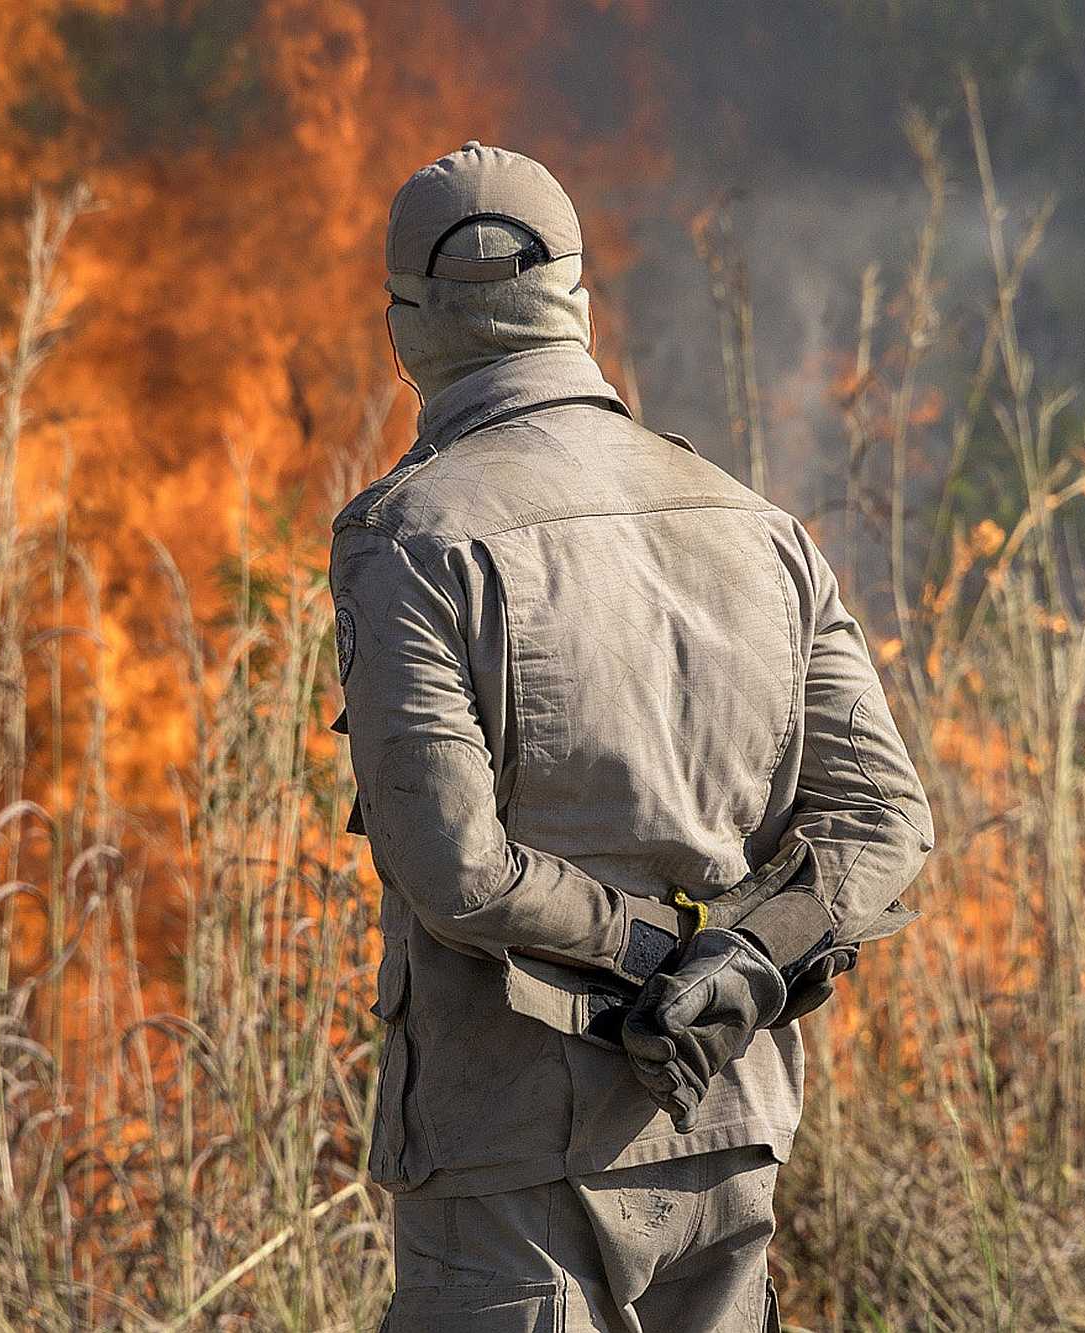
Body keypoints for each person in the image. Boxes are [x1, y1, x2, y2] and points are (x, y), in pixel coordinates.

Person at [330, 141, 934, 1333]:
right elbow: (885, 822)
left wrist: (653, 951)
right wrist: (737, 960)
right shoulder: (756, 527)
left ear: (404, 327)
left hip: (511, 1162)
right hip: (725, 1127)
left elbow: (456, 871)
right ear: (578, 310)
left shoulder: (409, 538)